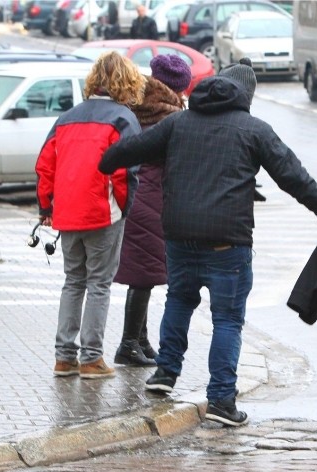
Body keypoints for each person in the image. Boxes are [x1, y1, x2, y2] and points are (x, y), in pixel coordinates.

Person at [99, 58, 317, 426]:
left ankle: (165, 374)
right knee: (228, 319)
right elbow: (295, 178)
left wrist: (103, 161)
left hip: (179, 236)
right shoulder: (254, 130)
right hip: (226, 244)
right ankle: (220, 400)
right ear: (245, 96)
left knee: (180, 301)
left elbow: (125, 152)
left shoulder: (178, 122)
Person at [36, 51, 145, 380]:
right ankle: (92, 357)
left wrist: (46, 208)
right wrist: (124, 208)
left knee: (73, 281)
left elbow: (45, 165)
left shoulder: (66, 118)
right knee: (99, 283)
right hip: (102, 212)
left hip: (66, 214)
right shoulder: (123, 119)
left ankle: (64, 357)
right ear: (126, 82)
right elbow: (126, 171)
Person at [113, 54, 191, 367]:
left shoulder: (135, 103)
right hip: (150, 197)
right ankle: (129, 343)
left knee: (143, 272)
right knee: (144, 273)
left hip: (134, 194)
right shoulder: (169, 115)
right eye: (183, 89)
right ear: (175, 87)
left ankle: (140, 339)